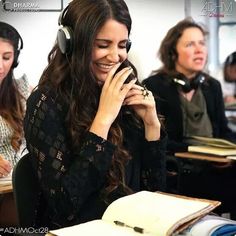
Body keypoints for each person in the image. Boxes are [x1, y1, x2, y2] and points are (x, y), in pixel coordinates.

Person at [23, 0, 166, 229]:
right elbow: (65, 206)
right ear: (71, 43)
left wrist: (152, 126)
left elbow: (153, 193)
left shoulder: (127, 92)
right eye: (103, 45)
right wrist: (103, 120)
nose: (115, 56)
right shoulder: (45, 102)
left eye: (122, 45)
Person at [143, 18, 236, 219]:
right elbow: (156, 140)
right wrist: (194, 153)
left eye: (202, 43)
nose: (199, 50)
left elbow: (223, 130)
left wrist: (228, 152)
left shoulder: (212, 86)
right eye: (190, 44)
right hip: (181, 171)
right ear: (173, 51)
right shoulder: (155, 86)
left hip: (217, 169)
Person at [0, 22, 30, 178]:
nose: (0, 65)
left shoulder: (22, 91)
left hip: (18, 183)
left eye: (6, 57)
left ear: (15, 59)